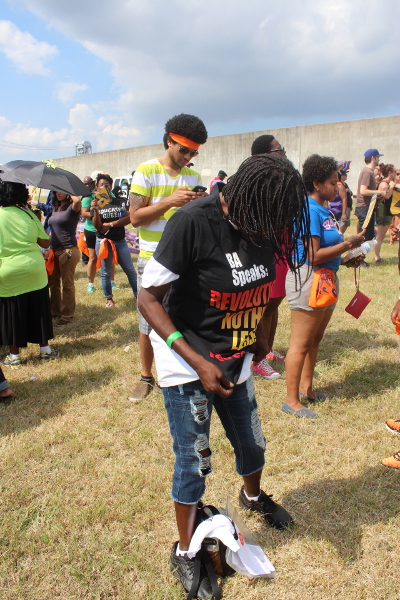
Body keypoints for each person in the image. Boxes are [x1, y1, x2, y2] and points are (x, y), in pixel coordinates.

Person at [138, 154, 311, 598]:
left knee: (251, 442)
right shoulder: (192, 222)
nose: (272, 232)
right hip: (186, 362)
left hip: (234, 359)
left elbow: (249, 291)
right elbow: (149, 299)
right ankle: (184, 550)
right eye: (268, 220)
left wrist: (252, 337)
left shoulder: (265, 222)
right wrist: (197, 361)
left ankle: (253, 497)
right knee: (194, 459)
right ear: (245, 201)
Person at [129, 113, 208, 401]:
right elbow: (135, 217)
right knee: (148, 320)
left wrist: (197, 205)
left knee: (181, 316)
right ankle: (146, 376)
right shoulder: (146, 170)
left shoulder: (193, 176)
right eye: (183, 150)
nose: (188, 156)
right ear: (168, 142)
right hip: (152, 258)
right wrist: (169, 202)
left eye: (194, 152)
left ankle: (174, 371)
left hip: (185, 258)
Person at [284, 155, 364, 418]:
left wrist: (346, 258)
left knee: (315, 340)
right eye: (333, 182)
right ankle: (291, 401)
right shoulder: (308, 210)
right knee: (300, 344)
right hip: (309, 279)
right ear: (317, 183)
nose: (338, 186)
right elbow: (313, 256)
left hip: (326, 279)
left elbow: (328, 252)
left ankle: (308, 389)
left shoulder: (325, 210)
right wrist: (347, 245)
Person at [0, 181, 58, 366]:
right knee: (39, 309)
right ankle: (45, 349)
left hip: (9, 270)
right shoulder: (29, 214)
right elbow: (45, 243)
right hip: (34, 268)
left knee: (12, 312)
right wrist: (37, 220)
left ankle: (14, 356)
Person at [250, 134, 288, 379]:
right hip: (265, 245)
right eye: (278, 150)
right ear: (264, 155)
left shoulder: (283, 179)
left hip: (283, 244)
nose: (283, 152)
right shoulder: (255, 182)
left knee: (275, 302)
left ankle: (269, 349)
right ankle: (257, 358)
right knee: (262, 305)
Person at [90, 173, 137, 307]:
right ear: (97, 187)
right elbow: (97, 226)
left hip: (119, 241)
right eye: (101, 185)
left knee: (129, 269)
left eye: (107, 184)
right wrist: (96, 210)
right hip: (103, 242)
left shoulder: (119, 201)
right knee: (105, 271)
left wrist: (111, 224)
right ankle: (109, 298)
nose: (104, 187)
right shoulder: (96, 203)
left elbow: (128, 218)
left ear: (111, 186)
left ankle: (137, 295)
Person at [47, 192, 81, 326]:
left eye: (62, 190)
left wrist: (70, 190)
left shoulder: (72, 208)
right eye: (56, 190)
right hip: (54, 250)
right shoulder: (55, 208)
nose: (59, 193)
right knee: (53, 283)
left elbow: (77, 201)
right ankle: (55, 311)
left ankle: (67, 316)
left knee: (67, 284)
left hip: (68, 250)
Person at [355, 148, 384, 248]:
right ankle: (358, 259)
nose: (378, 160)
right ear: (373, 158)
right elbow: (363, 191)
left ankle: (361, 258)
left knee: (369, 235)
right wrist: (379, 191)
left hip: (366, 208)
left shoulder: (368, 171)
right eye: (378, 157)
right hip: (364, 207)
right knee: (363, 235)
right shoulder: (368, 172)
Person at [374, 164, 396, 263]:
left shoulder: (387, 182)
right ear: (390, 173)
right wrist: (391, 186)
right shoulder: (385, 183)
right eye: (395, 172)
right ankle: (377, 257)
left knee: (381, 236)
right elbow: (386, 196)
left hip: (386, 212)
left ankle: (377, 256)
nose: (396, 174)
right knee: (380, 236)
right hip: (383, 212)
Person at [328, 160, 352, 232]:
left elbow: (344, 200)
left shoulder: (340, 186)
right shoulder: (332, 186)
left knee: (339, 228)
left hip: (338, 211)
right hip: (331, 210)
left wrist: (344, 214)